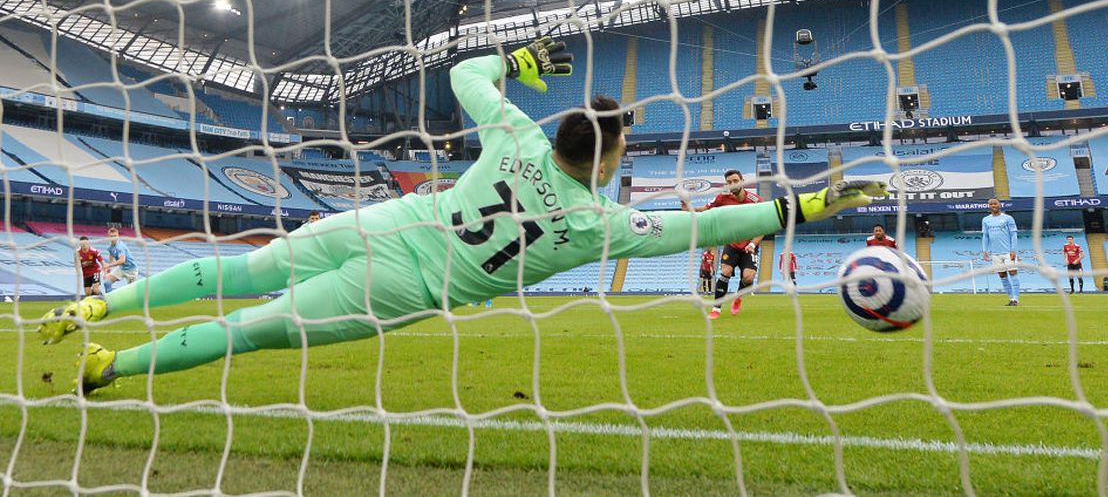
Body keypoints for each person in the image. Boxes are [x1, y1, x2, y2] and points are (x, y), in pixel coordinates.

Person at [38, 37, 888, 393]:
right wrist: (803, 203)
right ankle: (111, 365)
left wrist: (518, 58)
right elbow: (705, 226)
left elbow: (463, 76)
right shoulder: (598, 224)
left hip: (388, 222)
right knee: (253, 327)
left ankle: (100, 304)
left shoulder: (517, 135)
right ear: (608, 162)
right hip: (403, 284)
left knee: (247, 267)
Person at [684, 169, 764, 320]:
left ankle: (738, 297)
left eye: (735, 181)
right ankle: (716, 309)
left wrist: (753, 244)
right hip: (732, 244)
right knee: (725, 272)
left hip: (749, 245)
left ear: (742, 181)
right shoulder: (722, 198)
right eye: (729, 182)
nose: (732, 184)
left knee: (748, 278)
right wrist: (689, 210)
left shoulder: (755, 201)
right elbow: (705, 210)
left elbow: (763, 226)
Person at [981, 198, 1020, 306]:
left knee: (1013, 272)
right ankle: (1011, 298)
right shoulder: (986, 220)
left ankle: (1016, 299)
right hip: (995, 254)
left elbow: (1013, 235)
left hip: (1008, 252)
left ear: (1000, 205)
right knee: (1002, 275)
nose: (993, 205)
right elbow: (985, 236)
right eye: (991, 204)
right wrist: (985, 250)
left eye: (995, 203)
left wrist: (1013, 250)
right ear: (989, 206)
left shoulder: (1008, 218)